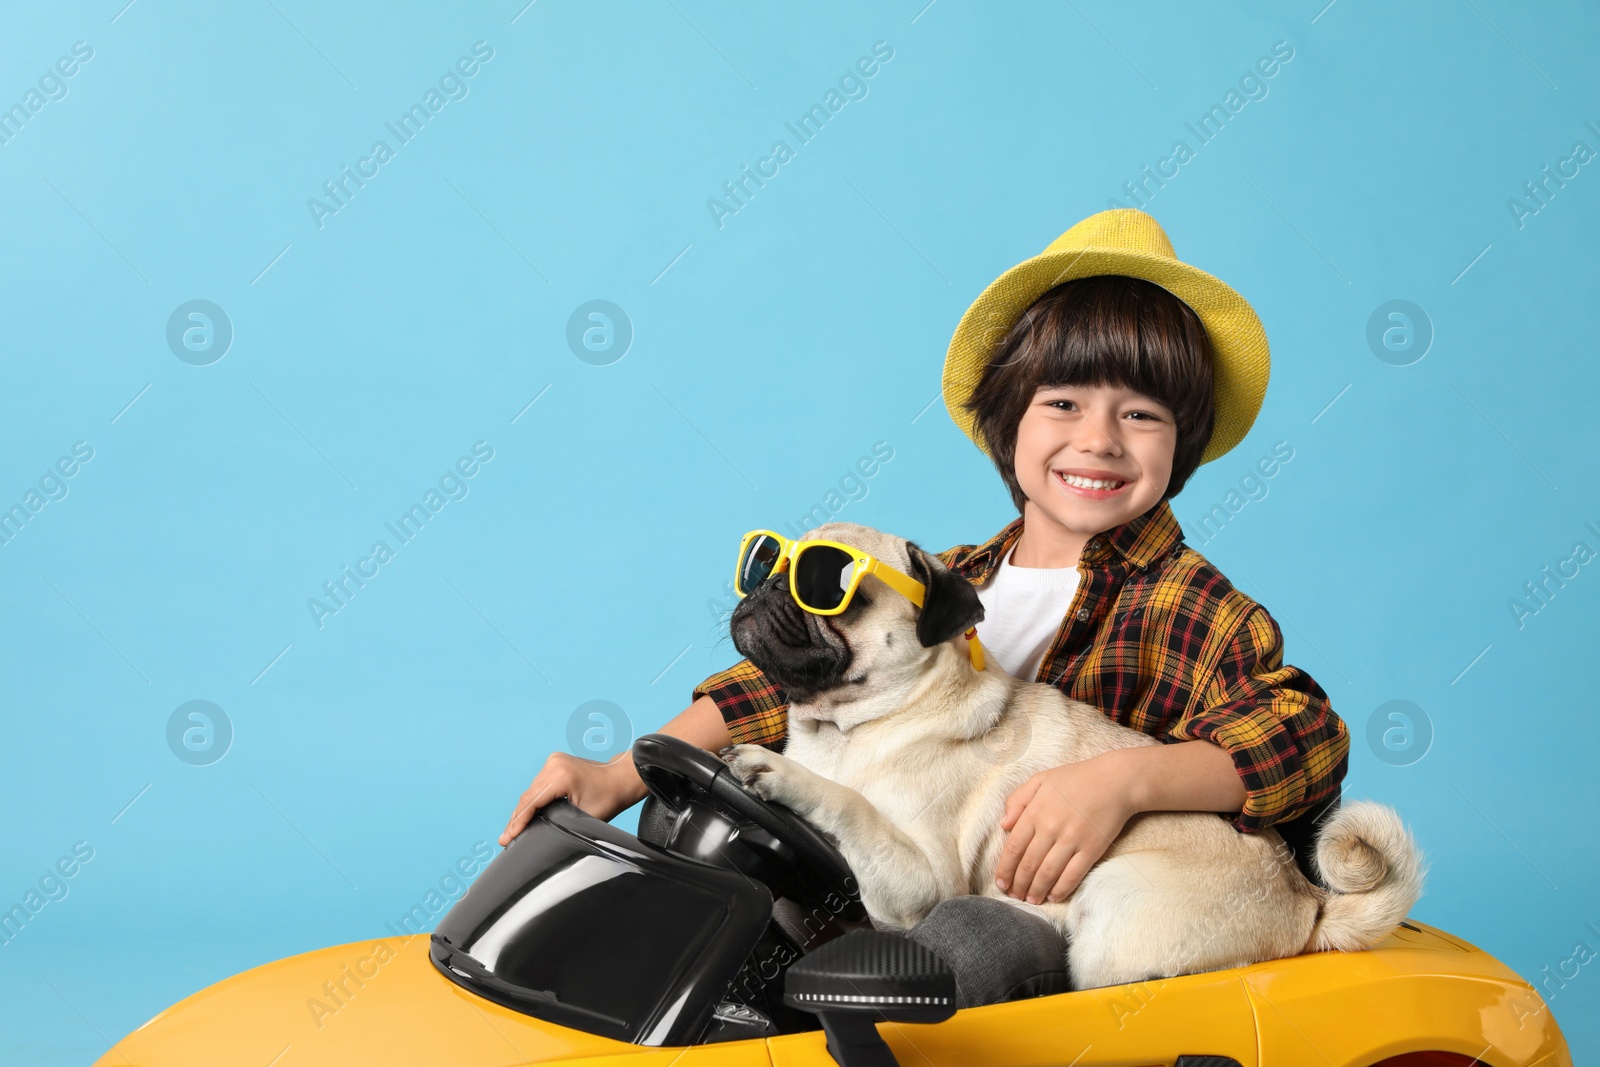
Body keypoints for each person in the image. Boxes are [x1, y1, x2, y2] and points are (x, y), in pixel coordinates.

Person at [500, 208, 1350, 1008]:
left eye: (1141, 413)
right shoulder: (944, 578)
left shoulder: (1194, 605)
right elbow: (782, 686)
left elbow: (1302, 733)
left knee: (959, 939)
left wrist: (1125, 780)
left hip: (1071, 906)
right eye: (1063, 402)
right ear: (1007, 419)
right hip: (899, 869)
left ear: (1184, 441)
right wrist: (619, 773)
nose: (1098, 439)